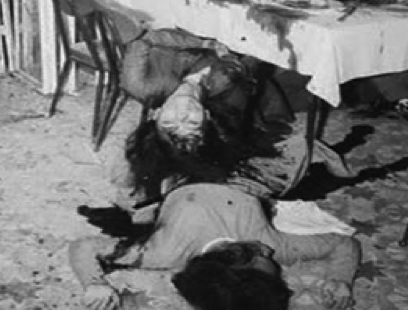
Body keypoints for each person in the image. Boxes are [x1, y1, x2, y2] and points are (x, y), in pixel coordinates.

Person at [112, 27, 353, 214]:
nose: (183, 115)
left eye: (170, 123)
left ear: (155, 115)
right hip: (231, 35)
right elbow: (250, 59)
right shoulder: (225, 87)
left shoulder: (140, 84)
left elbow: (144, 40)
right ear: (207, 116)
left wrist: (204, 43)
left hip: (182, 23)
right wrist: (229, 51)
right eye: (192, 123)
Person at [69, 181, 361, 310]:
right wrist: (340, 278)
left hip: (179, 181)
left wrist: (93, 282)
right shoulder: (275, 247)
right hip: (245, 178)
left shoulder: (165, 252)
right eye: (267, 258)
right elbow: (342, 243)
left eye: (262, 256)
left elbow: (84, 246)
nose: (267, 249)